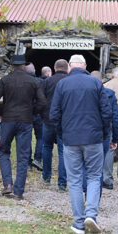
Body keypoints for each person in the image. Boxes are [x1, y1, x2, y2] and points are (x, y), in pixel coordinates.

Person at [50, 54, 111, 234]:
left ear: (70, 67)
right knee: (93, 176)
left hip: (71, 139)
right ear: (84, 66)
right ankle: (91, 214)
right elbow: (106, 112)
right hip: (93, 138)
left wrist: (62, 134)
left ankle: (79, 222)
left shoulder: (62, 85)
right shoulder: (96, 83)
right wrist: (104, 134)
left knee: (74, 180)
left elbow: (55, 114)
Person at [0, 54, 47, 200]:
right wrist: (32, 112)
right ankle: (18, 191)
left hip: (8, 120)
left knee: (3, 151)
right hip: (26, 121)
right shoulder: (33, 81)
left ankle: (7, 184)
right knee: (23, 156)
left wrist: (2, 112)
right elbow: (42, 102)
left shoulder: (5, 80)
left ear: (11, 67)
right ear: (24, 66)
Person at [40, 59, 69, 191]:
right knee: (63, 152)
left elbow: (40, 99)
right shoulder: (69, 81)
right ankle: (62, 183)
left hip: (48, 120)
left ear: (55, 68)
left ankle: (46, 176)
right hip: (64, 121)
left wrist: (42, 114)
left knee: (47, 147)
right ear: (67, 68)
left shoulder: (47, 81)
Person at [90, 71, 118, 191]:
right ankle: (107, 179)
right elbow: (116, 117)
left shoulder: (85, 93)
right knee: (108, 152)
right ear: (102, 81)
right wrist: (115, 138)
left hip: (90, 128)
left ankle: (90, 178)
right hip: (107, 127)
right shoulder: (110, 94)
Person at [24, 63, 43, 171]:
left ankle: (27, 163)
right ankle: (38, 159)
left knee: (27, 137)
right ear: (34, 70)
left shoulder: (22, 82)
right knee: (40, 137)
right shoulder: (40, 82)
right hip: (38, 113)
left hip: (26, 113)